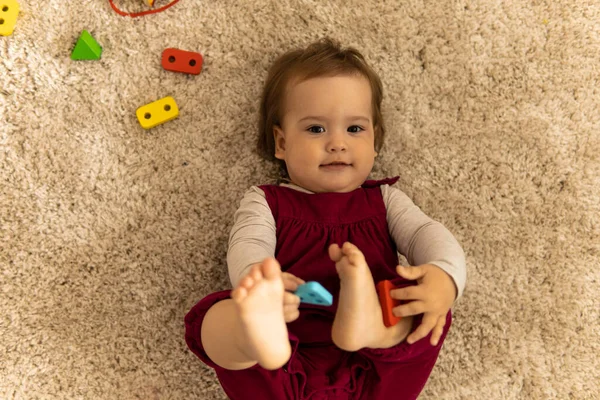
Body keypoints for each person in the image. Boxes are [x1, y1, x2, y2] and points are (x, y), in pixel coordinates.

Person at [185, 37, 466, 400]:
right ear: (282, 143)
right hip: (284, 351)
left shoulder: (386, 200)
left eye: (354, 129)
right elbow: (248, 244)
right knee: (216, 318)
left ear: (375, 141)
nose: (337, 143)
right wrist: (259, 285)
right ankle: (254, 331)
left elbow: (428, 234)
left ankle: (372, 328)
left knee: (423, 312)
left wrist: (444, 278)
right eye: (316, 129)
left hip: (376, 361)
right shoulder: (268, 201)